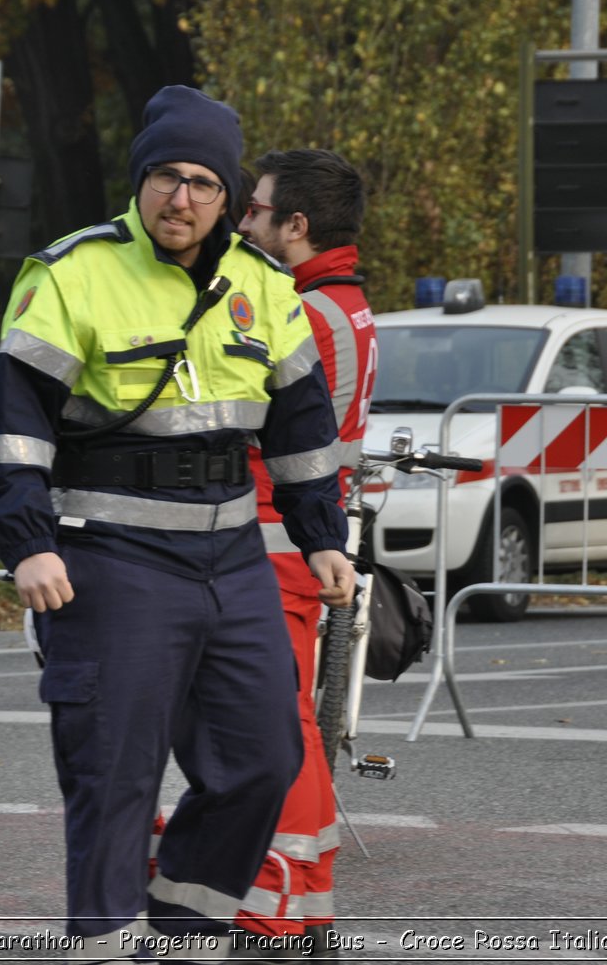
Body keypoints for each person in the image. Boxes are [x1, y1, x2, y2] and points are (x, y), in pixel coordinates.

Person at [0, 86, 356, 959]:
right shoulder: (75, 272)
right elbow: (8, 425)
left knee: (265, 759)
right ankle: (105, 940)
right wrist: (28, 545)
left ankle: (182, 927)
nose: (181, 199)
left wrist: (321, 532)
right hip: (112, 558)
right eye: (165, 178)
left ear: (229, 197)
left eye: (203, 184)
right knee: (114, 773)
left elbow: (301, 424)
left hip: (232, 557)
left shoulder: (262, 285)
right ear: (141, 180)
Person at [235, 148, 377, 955]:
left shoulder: (305, 312)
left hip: (272, 536)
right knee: (286, 724)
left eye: (255, 210)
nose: (243, 221)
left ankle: (274, 914)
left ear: (297, 224)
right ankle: (304, 906)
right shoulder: (340, 301)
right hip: (297, 536)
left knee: (268, 730)